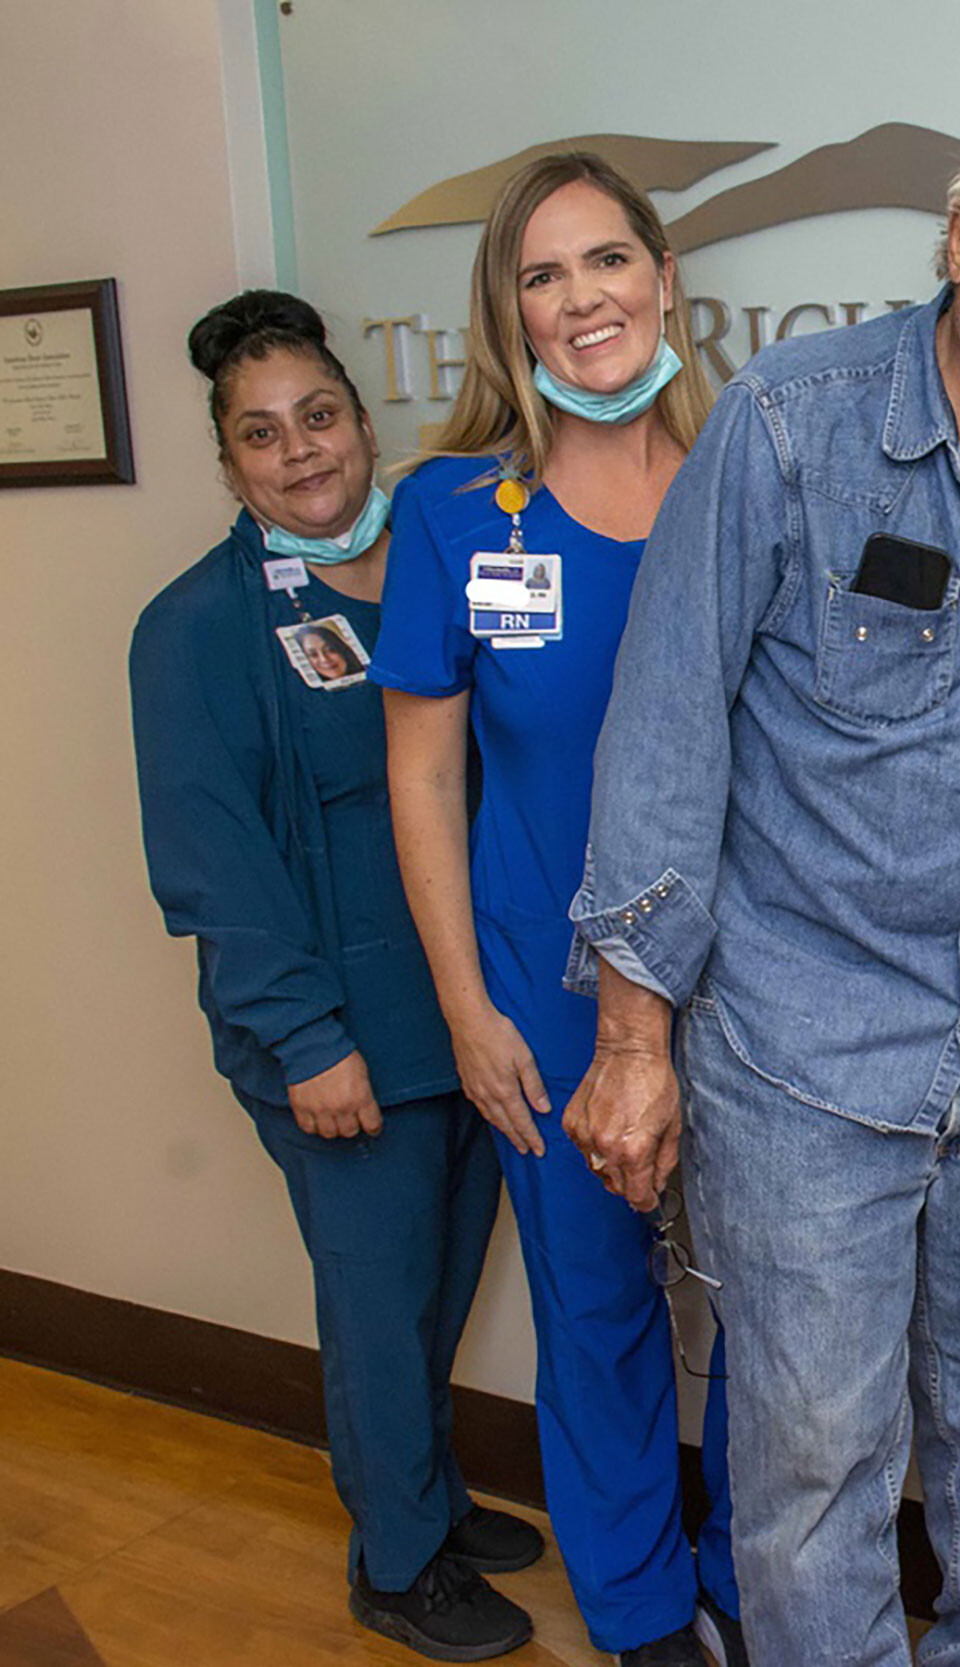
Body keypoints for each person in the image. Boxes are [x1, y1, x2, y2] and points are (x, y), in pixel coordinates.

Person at [559, 91, 960, 1664]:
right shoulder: (792, 422)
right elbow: (662, 742)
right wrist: (634, 1047)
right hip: (804, 1054)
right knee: (812, 1467)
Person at [131, 290, 540, 1661]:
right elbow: (213, 867)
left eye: (318, 416)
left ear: (362, 422)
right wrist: (305, 1039)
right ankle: (400, 1562)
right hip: (343, 1036)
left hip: (470, 1019)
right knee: (376, 1302)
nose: (301, 452)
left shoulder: (438, 552)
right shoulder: (197, 627)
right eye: (262, 434)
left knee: (438, 1288)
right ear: (231, 462)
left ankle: (414, 1493)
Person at [370, 154, 739, 1667]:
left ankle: (746, 1567)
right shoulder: (458, 511)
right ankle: (643, 1607)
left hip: (752, 987)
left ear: (661, 276)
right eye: (542, 274)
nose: (581, 299)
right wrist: (469, 1007)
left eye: (606, 261)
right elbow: (420, 781)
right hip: (547, 986)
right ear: (507, 311)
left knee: (783, 1319)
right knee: (597, 1308)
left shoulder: (747, 474)